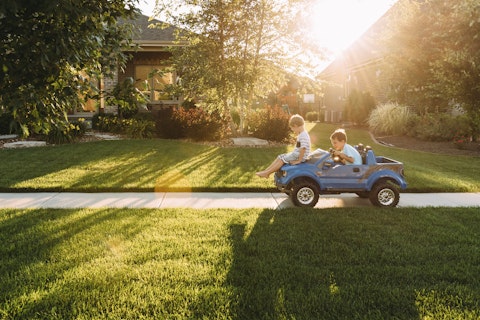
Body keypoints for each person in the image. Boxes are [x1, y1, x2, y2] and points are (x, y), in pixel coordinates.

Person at [256, 114, 311, 178]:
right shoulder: (302, 133)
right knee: (280, 157)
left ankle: (267, 173)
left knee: (282, 160)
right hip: (296, 154)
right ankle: (266, 171)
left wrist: (299, 160)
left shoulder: (303, 135)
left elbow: (303, 148)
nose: (293, 130)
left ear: (295, 126)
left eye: (292, 128)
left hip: (298, 156)